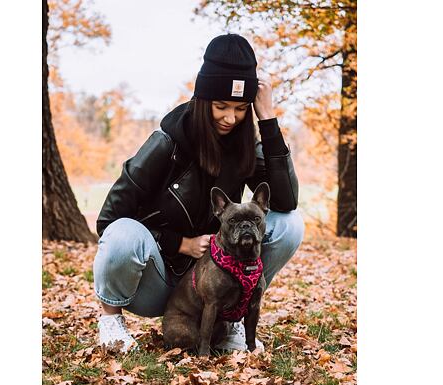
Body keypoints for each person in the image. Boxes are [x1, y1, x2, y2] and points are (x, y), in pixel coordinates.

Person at [93, 33, 305, 353]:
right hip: (158, 280)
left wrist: (268, 118)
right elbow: (107, 221)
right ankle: (111, 322)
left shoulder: (244, 144)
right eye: (221, 106)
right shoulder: (166, 142)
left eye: (240, 108)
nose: (230, 118)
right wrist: (181, 243)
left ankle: (232, 318)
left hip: (216, 282)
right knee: (122, 233)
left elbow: (286, 201)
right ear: (203, 99)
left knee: (290, 225)